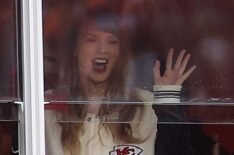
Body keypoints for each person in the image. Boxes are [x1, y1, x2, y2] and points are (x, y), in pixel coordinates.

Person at [45, 7, 196, 155]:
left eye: (112, 41)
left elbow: (176, 149)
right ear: (75, 48)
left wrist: (168, 101)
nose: (103, 49)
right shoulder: (46, 106)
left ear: (120, 53)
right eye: (91, 39)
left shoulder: (145, 105)